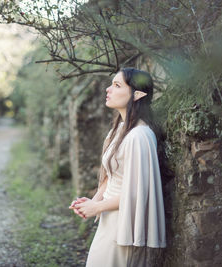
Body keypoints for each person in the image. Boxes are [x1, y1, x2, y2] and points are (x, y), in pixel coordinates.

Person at [69, 67, 167, 266]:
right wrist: (92, 202)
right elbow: (109, 176)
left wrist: (96, 207)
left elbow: (138, 194)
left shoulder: (140, 136)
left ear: (137, 94)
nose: (108, 89)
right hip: (108, 218)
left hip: (125, 225)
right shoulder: (120, 129)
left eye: (116, 85)